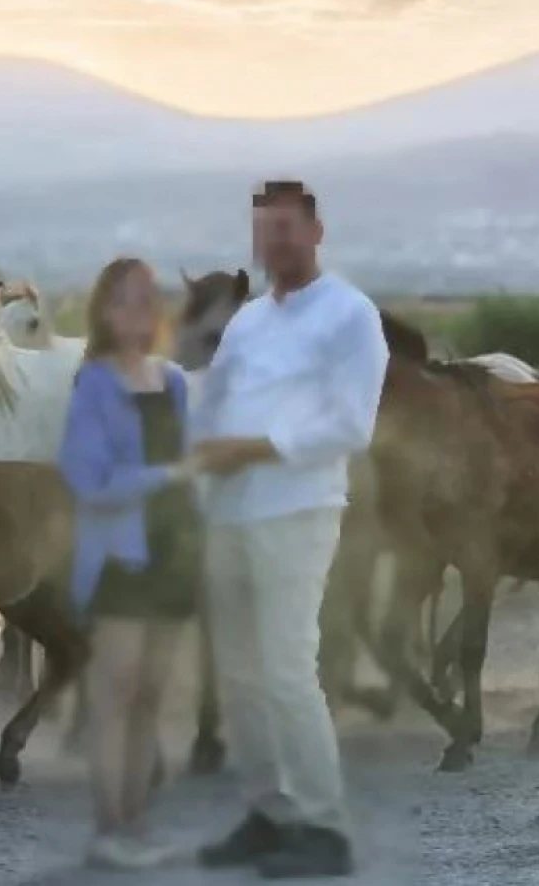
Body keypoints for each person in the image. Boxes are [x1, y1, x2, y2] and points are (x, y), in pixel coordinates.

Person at [189, 180, 388, 879]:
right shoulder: (247, 321)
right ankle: (270, 813)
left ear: (316, 232)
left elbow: (350, 424)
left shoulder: (349, 315)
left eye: (285, 228)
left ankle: (323, 827)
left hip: (297, 511)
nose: (273, 242)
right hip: (228, 515)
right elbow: (212, 403)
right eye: (263, 230)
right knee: (240, 675)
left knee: (285, 669)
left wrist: (253, 448)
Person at [58, 256, 202, 871]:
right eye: (122, 301)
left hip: (175, 554)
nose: (136, 312)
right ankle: (108, 829)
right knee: (115, 696)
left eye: (146, 300)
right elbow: (86, 479)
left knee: (150, 697)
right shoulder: (92, 383)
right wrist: (166, 475)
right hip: (122, 557)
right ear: (103, 312)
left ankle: (137, 824)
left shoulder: (173, 382)